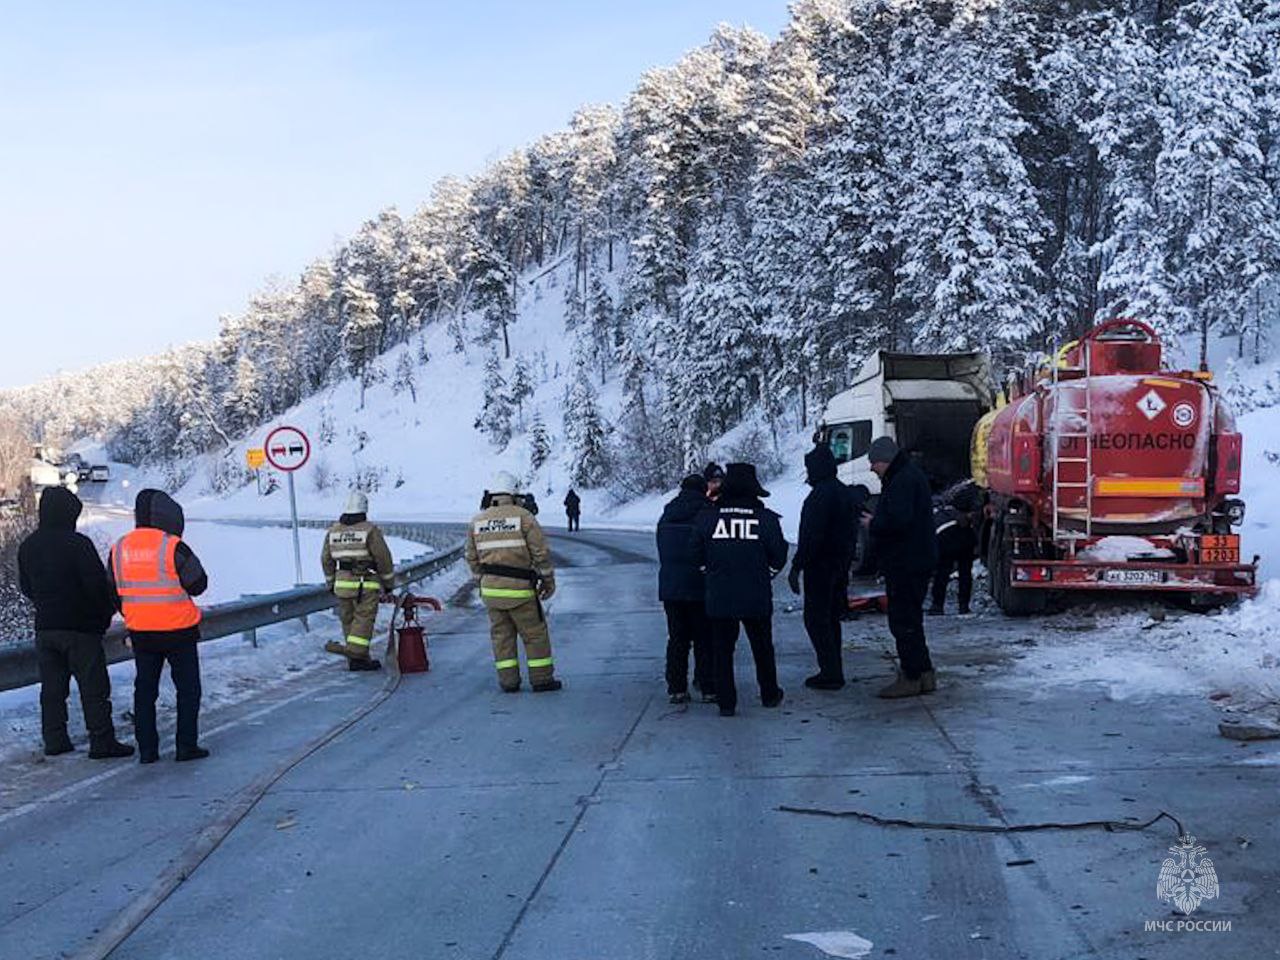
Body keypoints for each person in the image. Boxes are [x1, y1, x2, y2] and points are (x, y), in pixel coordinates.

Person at [17, 487, 133, 759]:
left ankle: (55, 739)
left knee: (52, 690)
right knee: (93, 688)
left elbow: (26, 587)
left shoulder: (28, 546)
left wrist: (46, 605)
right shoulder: (78, 545)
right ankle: (102, 741)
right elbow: (96, 586)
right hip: (80, 628)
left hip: (45, 627)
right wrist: (102, 616)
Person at [108, 490, 209, 762]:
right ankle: (186, 746)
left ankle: (148, 750)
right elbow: (198, 584)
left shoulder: (119, 548)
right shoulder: (173, 546)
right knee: (188, 691)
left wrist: (134, 613)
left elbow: (113, 591)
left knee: (145, 692)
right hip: (179, 631)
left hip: (142, 633)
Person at [692, 463, 787, 717]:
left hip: (720, 594)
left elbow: (696, 553)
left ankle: (726, 702)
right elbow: (779, 555)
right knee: (762, 646)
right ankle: (769, 694)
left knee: (722, 650)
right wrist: (766, 575)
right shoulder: (765, 519)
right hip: (755, 593)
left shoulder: (707, 517)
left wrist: (710, 574)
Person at [465, 471, 561, 693]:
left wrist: (483, 581)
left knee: (502, 637)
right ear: (514, 493)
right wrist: (548, 580)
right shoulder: (523, 517)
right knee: (534, 635)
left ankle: (508, 682)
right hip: (520, 590)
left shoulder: (477, 521)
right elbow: (540, 553)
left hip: (491, 592)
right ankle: (541, 679)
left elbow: (471, 557)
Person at [865, 437, 938, 698]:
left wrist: (873, 523)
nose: (872, 469)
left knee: (903, 620)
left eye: (874, 463)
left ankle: (911, 676)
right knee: (912, 620)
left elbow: (898, 520)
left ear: (884, 460)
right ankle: (924, 673)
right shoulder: (908, 476)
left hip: (906, 562)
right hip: (916, 559)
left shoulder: (901, 481)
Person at [788, 444, 856, 690]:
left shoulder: (819, 496)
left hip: (821, 566)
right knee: (831, 619)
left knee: (816, 619)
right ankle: (833, 668)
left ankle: (830, 671)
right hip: (839, 564)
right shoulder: (842, 492)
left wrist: (797, 567)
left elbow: (811, 537)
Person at [320, 491, 396, 671]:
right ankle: (355, 653)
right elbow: (383, 558)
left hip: (342, 586)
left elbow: (326, 559)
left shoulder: (334, 531)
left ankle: (357, 661)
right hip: (365, 584)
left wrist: (331, 582)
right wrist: (388, 584)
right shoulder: (369, 530)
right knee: (363, 620)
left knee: (349, 622)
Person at [657, 474, 714, 704]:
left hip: (671, 587)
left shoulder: (667, 515)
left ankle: (676, 687)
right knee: (704, 638)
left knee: (677, 638)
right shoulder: (708, 515)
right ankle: (708, 685)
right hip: (701, 585)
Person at [929, 480, 981, 616]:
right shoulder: (963, 496)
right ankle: (963, 606)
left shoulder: (937, 510)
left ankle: (937, 606)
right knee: (965, 574)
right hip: (965, 538)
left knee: (942, 573)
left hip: (946, 539)